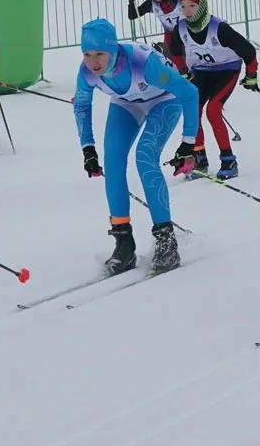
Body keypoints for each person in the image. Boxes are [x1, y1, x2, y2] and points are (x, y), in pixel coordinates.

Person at [74, 17, 199, 277]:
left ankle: (166, 239)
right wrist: (88, 148)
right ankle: (123, 242)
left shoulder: (144, 63)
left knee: (145, 157)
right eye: (87, 54)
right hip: (126, 102)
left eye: (99, 54)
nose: (93, 61)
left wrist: (189, 144)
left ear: (113, 49)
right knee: (114, 161)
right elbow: (81, 106)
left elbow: (189, 92)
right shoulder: (86, 72)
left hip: (164, 100)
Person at [174, 0, 258, 181]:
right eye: (183, 6)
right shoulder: (181, 28)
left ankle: (228, 160)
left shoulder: (219, 28)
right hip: (201, 72)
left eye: (192, 6)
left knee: (213, 110)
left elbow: (248, 51)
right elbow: (176, 51)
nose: (187, 11)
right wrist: (183, 71)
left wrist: (251, 75)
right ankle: (199, 157)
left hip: (226, 71)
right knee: (193, 110)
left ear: (201, 6)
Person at [124, 0, 186, 69]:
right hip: (170, 38)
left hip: (186, 36)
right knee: (169, 68)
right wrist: (131, 1)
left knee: (188, 66)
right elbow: (133, 15)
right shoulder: (152, 2)